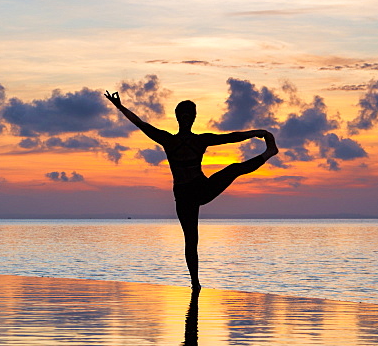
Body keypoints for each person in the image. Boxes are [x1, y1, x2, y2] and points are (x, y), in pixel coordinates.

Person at [105, 91, 278, 291]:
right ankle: (195, 283)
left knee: (234, 169)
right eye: (183, 114)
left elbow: (229, 138)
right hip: (183, 195)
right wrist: (119, 106)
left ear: (194, 118)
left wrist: (254, 133)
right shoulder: (167, 140)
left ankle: (269, 153)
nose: (186, 117)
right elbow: (141, 123)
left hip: (201, 188)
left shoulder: (200, 140)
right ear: (177, 117)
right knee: (191, 239)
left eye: (189, 114)